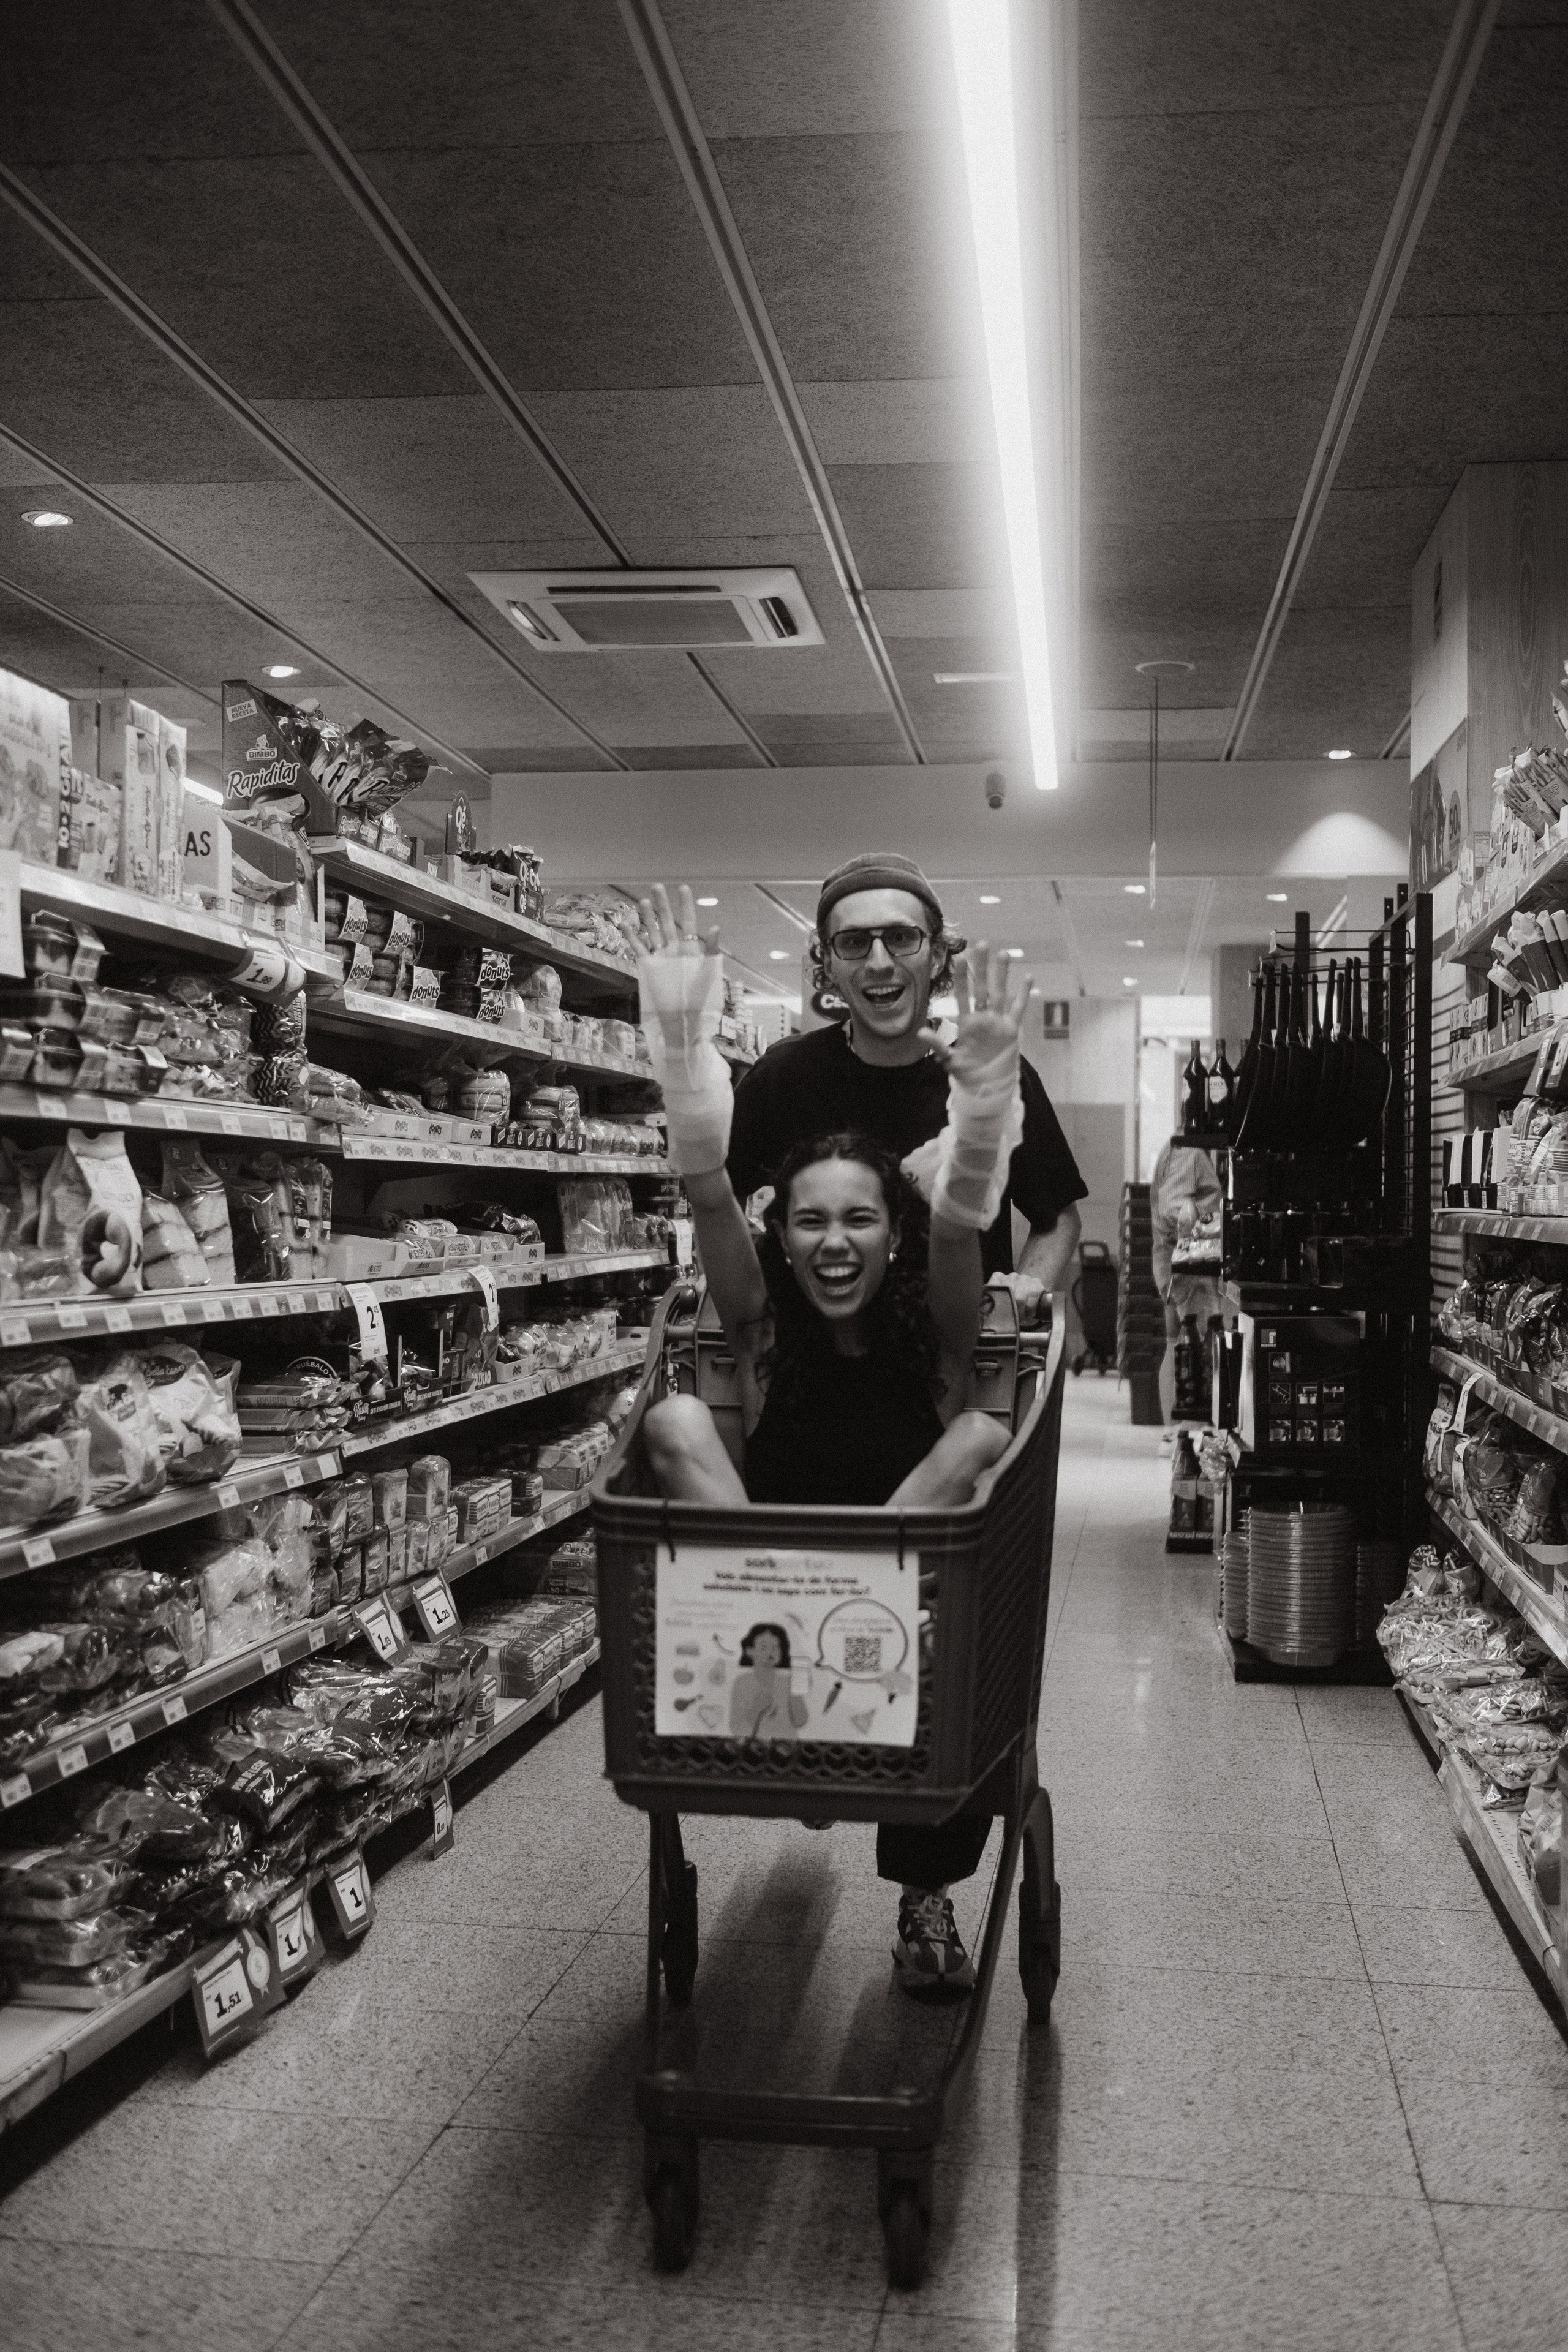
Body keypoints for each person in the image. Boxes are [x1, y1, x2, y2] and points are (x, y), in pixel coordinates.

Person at [633, 881, 1029, 1996]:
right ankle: (796, 1699)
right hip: (773, 1622)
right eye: (810, 1220)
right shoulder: (762, 1331)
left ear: (890, 1230)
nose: (836, 1241)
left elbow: (961, 1228)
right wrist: (681, 1051)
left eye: (860, 1217)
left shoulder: (936, 1334)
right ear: (784, 1235)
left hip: (907, 1627)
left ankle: (921, 1889)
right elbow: (713, 1198)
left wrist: (985, 1109)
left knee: (974, 1446)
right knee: (669, 1417)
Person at [726, 851, 1087, 1290]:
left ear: (936, 956)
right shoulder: (783, 1077)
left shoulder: (992, 1077)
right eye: (854, 942)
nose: (879, 961)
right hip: (811, 1353)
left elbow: (1058, 1217)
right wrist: (742, 1288)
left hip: (960, 1351)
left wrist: (1024, 1289)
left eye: (900, 937)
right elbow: (719, 1197)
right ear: (829, 965)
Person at [1150, 1136, 1223, 1423]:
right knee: (1190, 1346)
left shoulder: (1183, 1151)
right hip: (1189, 1264)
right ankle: (1180, 1432)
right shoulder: (1190, 1153)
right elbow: (1176, 1213)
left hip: (1179, 1262)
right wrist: (1205, 1230)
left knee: (1176, 1341)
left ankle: (1175, 1432)